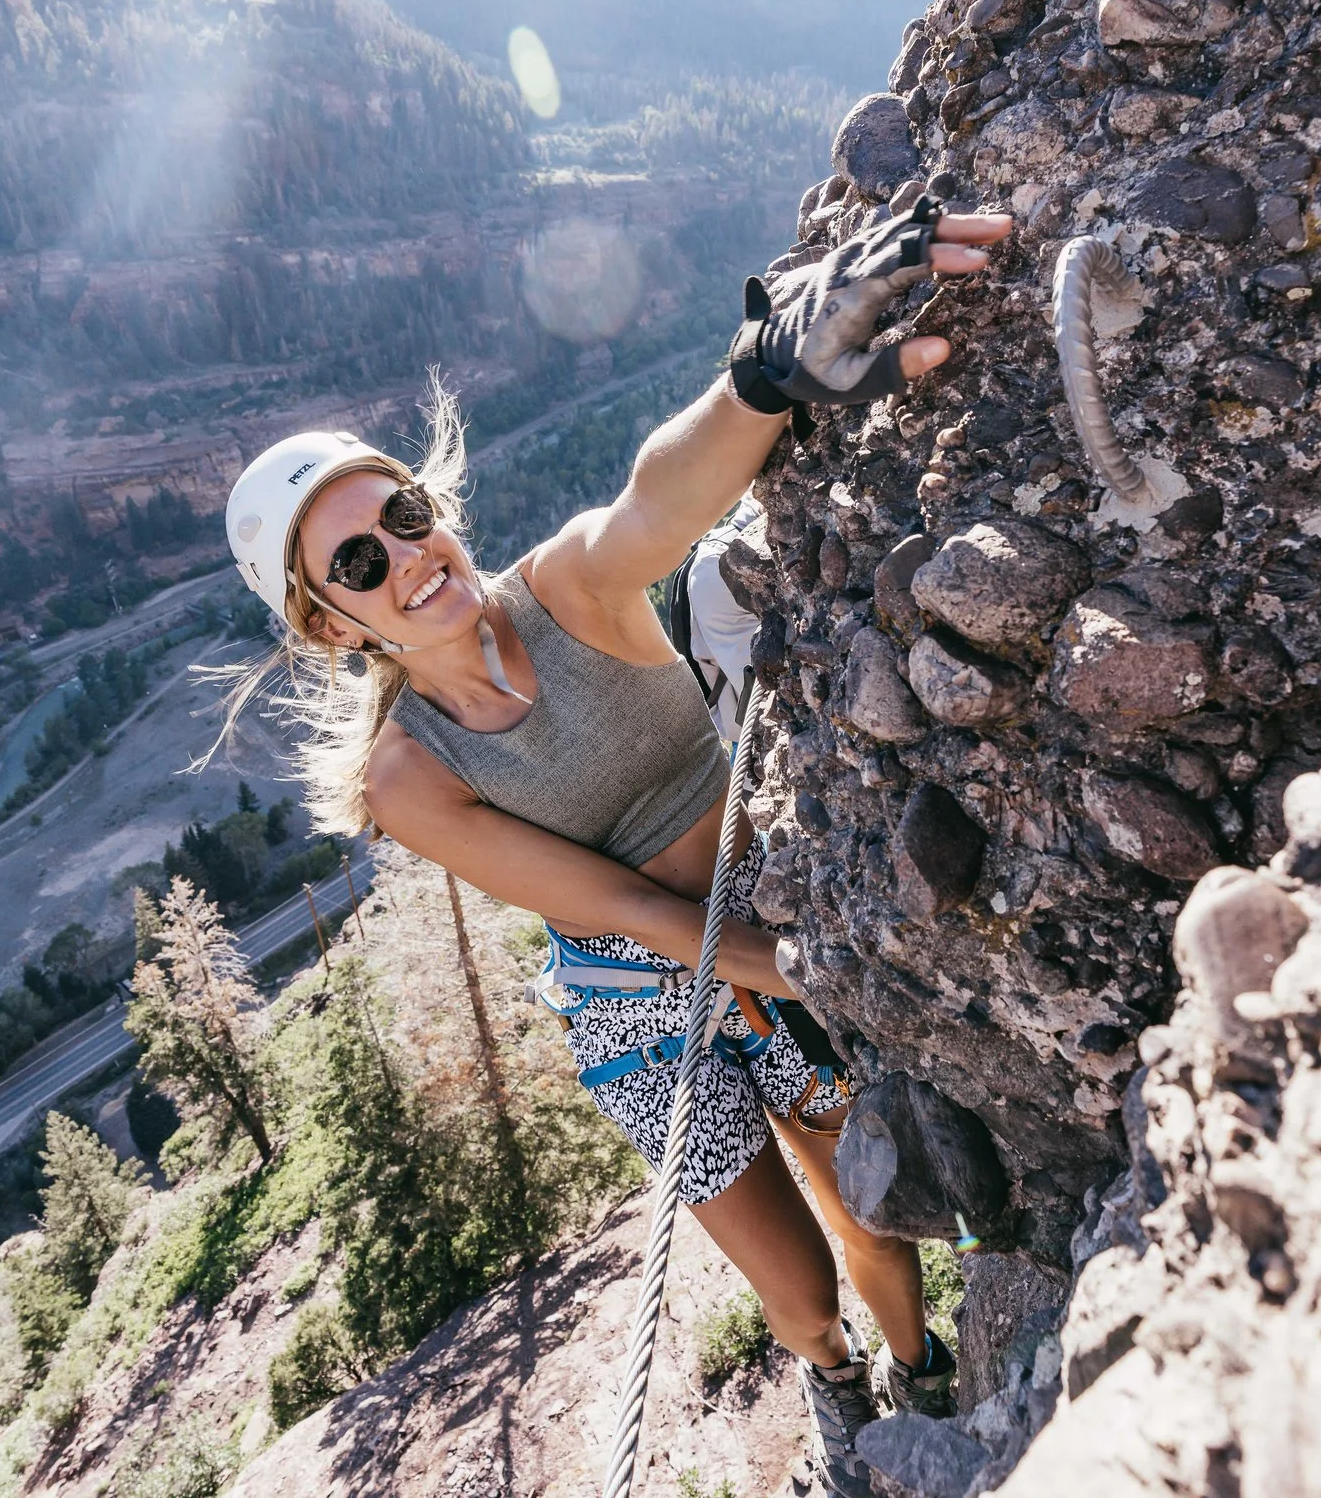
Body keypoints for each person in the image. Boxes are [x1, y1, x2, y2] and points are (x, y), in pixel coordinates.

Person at [216, 201, 1011, 1493]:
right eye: (360, 561)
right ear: (332, 624)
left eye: (404, 513)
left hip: (759, 917)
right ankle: (834, 1380)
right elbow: (614, 905)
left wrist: (762, 375)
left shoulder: (565, 588)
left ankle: (919, 1387)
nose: (408, 557)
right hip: (648, 1007)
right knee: (801, 1290)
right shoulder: (410, 776)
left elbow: (656, 499)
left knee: (872, 1206)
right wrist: (793, 966)